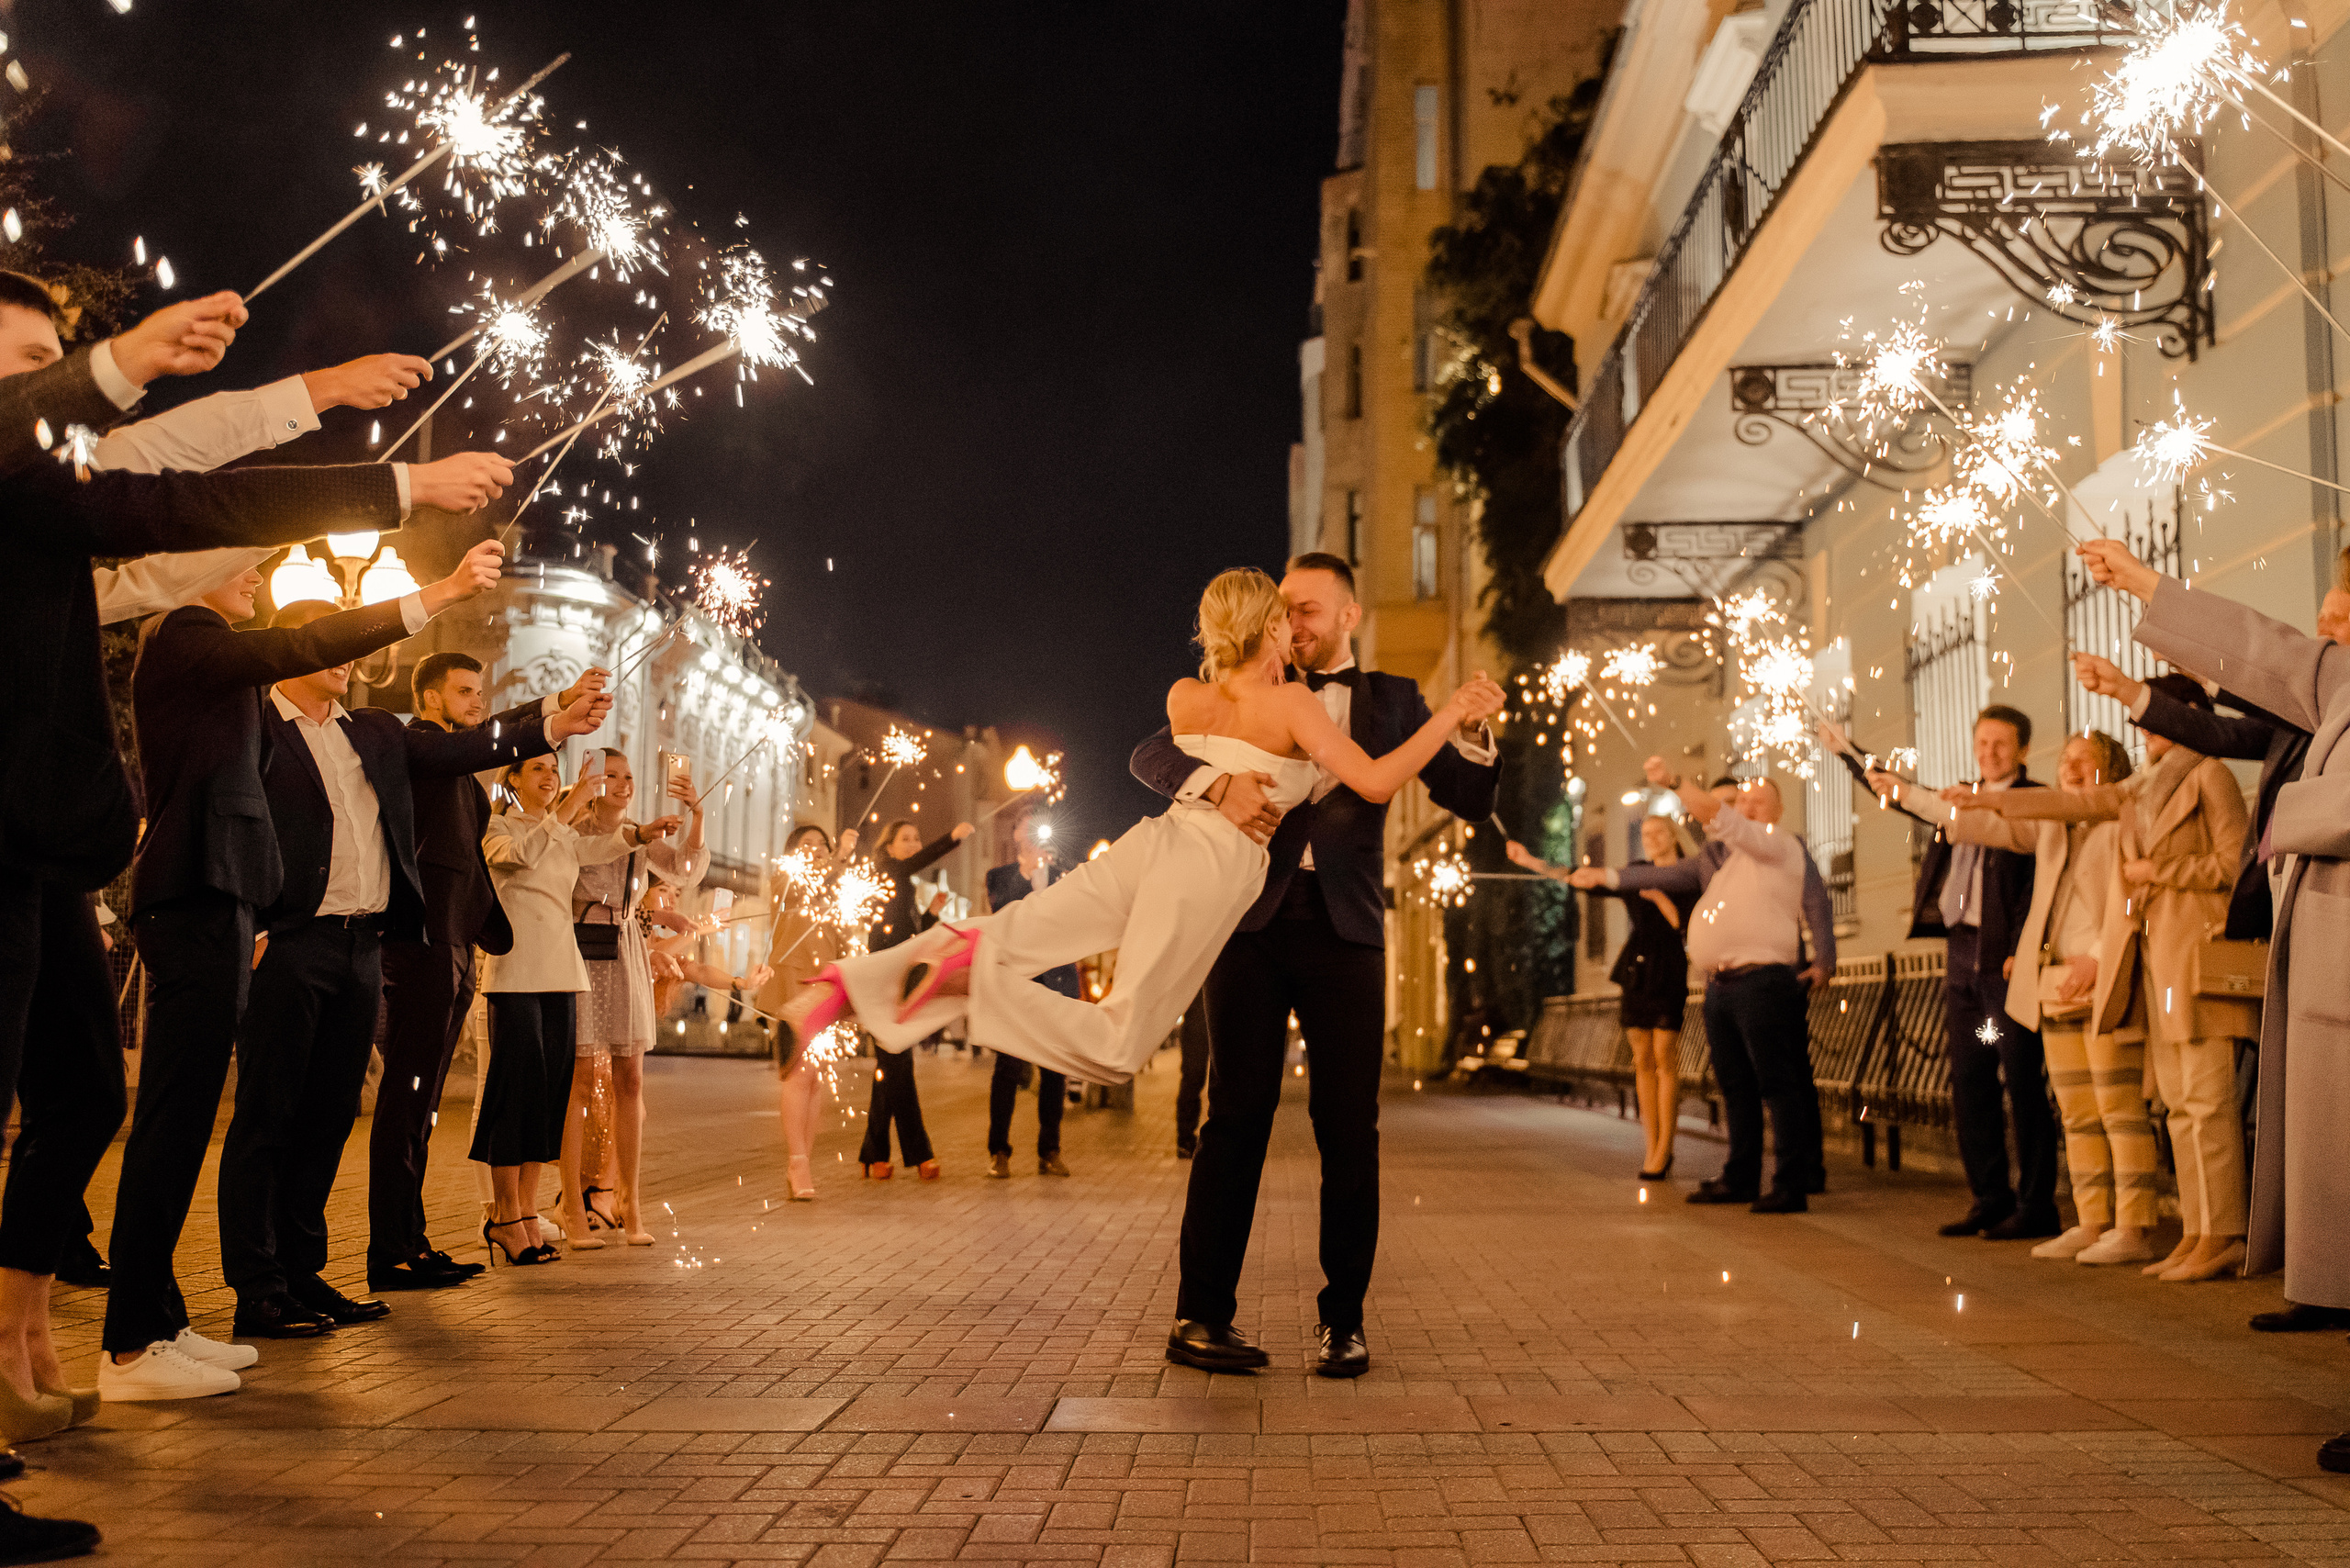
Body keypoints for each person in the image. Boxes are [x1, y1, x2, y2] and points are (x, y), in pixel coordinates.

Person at [781, 562, 1504, 1382]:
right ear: (1267, 624)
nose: (1297, 623)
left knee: (1345, 1131)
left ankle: (855, 983)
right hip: (1240, 918)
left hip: (1325, 923)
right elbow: (1162, 756)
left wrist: (1468, 730)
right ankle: (1201, 1314)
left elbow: (1468, 795)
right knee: (1209, 1102)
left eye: (1309, 609)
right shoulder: (1287, 702)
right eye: (1286, 611)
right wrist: (1219, 783)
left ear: (1348, 614)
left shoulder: (1339, 697)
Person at [99, 537, 511, 1398]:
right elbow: (298, 652)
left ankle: (164, 1317)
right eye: (243, 558)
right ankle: (142, 1334)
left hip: (235, 907)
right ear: (189, 570)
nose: (259, 572)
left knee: (250, 1122)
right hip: (207, 905)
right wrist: (435, 593)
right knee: (190, 1122)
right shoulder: (185, 639)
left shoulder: (241, 677)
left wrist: (545, 721)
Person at [218, 600, 613, 1342]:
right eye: (334, 645)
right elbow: (229, 817)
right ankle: (257, 1284)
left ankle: (303, 1271)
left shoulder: (372, 732)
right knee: (270, 1115)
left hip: (362, 943)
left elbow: (470, 745)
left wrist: (554, 715)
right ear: (293, 651)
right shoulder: (254, 725)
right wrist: (252, 924)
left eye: (353, 647)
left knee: (332, 1115)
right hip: (293, 941)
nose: (349, 658)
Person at [1967, 672, 2259, 1282]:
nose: (2146, 730)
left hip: (2196, 958)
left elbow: (2236, 865)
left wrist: (2162, 872)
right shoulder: (2144, 787)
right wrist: (1986, 800)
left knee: (2206, 1102)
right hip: (2155, 962)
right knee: (2178, 1105)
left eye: (2156, 717)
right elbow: (2075, 805)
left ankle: (2224, 1233)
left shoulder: (2210, 775)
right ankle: (2199, 1233)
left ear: (2187, 717)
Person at [366, 653, 604, 1291]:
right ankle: (389, 1251)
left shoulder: (460, 773)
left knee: (424, 1106)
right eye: (465, 691)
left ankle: (410, 1241)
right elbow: (484, 744)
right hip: (420, 941)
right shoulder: (418, 743)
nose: (478, 701)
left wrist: (558, 705)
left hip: (454, 946)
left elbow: (484, 747)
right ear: (429, 696)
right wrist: (554, 715)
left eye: (481, 691)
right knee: (407, 1100)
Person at [1872, 731, 2149, 1262]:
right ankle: (2092, 1221)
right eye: (2065, 761)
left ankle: (2133, 1226)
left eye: (2084, 760)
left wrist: (2097, 954)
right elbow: (1979, 825)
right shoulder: (2051, 825)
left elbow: (2133, 897)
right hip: (2055, 981)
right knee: (2078, 1112)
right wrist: (1907, 794)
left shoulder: (2123, 820)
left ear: (2111, 768)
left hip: (2104, 975)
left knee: (2117, 1107)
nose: (2070, 769)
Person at [1568, 760, 1833, 1214]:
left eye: (1757, 802)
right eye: (1742, 801)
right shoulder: (1721, 859)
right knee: (1736, 1085)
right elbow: (1662, 876)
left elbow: (1813, 897)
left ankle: (1792, 1183)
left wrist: (1677, 783)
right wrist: (1606, 877)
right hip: (1722, 986)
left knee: (1778, 1083)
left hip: (1763, 981)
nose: (1746, 807)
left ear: (1777, 812)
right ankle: (1741, 1175)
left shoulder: (1778, 845)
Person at [476, 754, 677, 1265]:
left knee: (545, 1099)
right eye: (537, 769)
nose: (549, 777)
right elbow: (520, 855)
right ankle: (504, 1215)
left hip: (563, 975)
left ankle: (527, 1213)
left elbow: (599, 847)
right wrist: (567, 811)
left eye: (554, 769)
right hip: (517, 973)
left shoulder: (562, 832)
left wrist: (640, 834)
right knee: (513, 1096)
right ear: (513, 780)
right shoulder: (498, 826)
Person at [1906, 706, 2059, 1241]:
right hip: (1962, 955)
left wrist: (2021, 946)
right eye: (1983, 742)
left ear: (2023, 750)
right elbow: (1915, 813)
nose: (1989, 752)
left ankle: (2037, 1203)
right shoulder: (1962, 796)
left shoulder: (2034, 798)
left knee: (2021, 1079)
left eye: (2001, 743)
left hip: (2003, 960)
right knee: (1970, 1081)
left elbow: (2037, 881)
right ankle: (1989, 1197)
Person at [562, 748, 707, 1248]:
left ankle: (631, 1201)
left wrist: (696, 817)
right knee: (580, 1081)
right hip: (581, 948)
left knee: (631, 1078)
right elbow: (585, 861)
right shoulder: (574, 830)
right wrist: (640, 836)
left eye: (628, 776)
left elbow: (685, 869)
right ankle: (572, 1207)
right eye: (611, 776)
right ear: (591, 780)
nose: (623, 784)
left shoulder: (641, 836)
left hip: (623, 949)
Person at [1512, 812, 1696, 1179]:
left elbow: (1685, 926)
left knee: (1665, 1054)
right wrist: (1532, 862)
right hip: (1637, 969)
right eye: (1646, 833)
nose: (1651, 839)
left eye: (1659, 832)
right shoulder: (1637, 871)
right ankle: (1651, 1146)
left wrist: (1661, 899)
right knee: (1642, 1058)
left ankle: (1666, 1147)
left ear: (1674, 835)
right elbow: (1586, 879)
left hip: (1669, 968)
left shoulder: (1687, 875)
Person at [855, 819, 974, 1181]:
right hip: (884, 976)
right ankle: (920, 1153)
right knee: (898, 1066)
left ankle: (874, 1154)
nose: (913, 844)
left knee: (891, 1067)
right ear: (889, 847)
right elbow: (892, 935)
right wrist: (951, 838)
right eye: (905, 839)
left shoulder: (904, 883)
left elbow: (911, 934)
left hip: (898, 975)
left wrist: (930, 914)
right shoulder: (888, 870)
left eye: (917, 838)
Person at [756, 823, 858, 1200]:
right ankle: (797, 1162)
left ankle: (803, 1161)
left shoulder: (835, 889)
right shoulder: (785, 879)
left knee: (816, 1078)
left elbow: (843, 939)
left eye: (822, 845)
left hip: (826, 984)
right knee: (799, 1074)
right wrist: (841, 857)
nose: (815, 849)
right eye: (806, 844)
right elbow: (803, 888)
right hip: (793, 983)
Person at [982, 817, 1077, 1178]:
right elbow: (1003, 915)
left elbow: (1072, 919)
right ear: (1015, 835)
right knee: (1007, 1067)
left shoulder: (1063, 876)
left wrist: (1049, 875)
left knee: (1054, 1069)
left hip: (1055, 982)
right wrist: (1027, 876)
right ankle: (998, 1151)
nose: (1033, 834)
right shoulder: (999, 876)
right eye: (1026, 827)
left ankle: (1050, 1150)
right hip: (1016, 983)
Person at [1173, 989, 1210, 1159]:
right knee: (1192, 1080)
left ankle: (1186, 1139)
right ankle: (1185, 1139)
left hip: (1199, 1024)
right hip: (1197, 1026)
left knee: (1192, 1080)